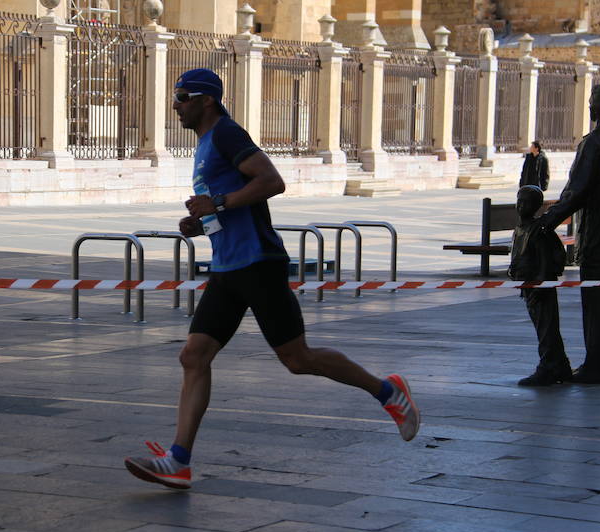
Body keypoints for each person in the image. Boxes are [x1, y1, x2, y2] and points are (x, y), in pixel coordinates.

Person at [123, 68, 420, 490]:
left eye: (184, 96)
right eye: (176, 96)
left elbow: (271, 181)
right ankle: (179, 460)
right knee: (193, 356)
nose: (176, 105)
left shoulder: (226, 133)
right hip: (228, 267)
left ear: (206, 100)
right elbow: (222, 209)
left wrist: (218, 203)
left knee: (298, 360)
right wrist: (202, 219)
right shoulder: (205, 144)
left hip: (258, 263)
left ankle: (388, 392)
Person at [537, 82, 600, 385]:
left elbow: (577, 192)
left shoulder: (595, 143)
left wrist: (549, 219)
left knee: (597, 305)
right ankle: (598, 362)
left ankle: (595, 367)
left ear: (595, 109)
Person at [509, 185, 571, 386]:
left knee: (546, 327)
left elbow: (546, 259)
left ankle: (549, 366)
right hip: (528, 286)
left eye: (526, 202)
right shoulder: (521, 228)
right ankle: (559, 364)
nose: (520, 206)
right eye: (519, 200)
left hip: (539, 287)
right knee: (543, 326)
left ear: (536, 206)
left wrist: (541, 284)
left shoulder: (539, 230)